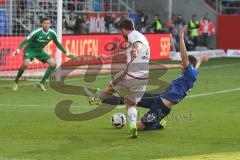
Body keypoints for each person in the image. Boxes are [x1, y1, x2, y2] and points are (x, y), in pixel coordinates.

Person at [102, 25, 209, 131]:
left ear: (188, 65)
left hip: (162, 107)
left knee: (139, 126)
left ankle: (156, 124)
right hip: (157, 98)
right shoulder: (193, 72)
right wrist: (201, 59)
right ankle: (102, 98)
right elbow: (196, 62)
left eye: (183, 64)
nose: (181, 65)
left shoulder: (189, 72)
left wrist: (181, 38)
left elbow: (184, 56)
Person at [86, 19, 150, 138]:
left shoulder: (133, 35)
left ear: (123, 29)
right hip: (144, 77)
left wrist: (136, 49)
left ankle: (96, 98)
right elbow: (126, 52)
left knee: (111, 86)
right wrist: (107, 56)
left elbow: (138, 44)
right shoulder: (141, 37)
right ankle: (132, 126)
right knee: (130, 103)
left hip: (131, 73)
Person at [12, 18, 74, 92]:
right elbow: (26, 40)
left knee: (53, 64)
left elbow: (57, 43)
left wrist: (66, 53)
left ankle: (42, 83)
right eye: (45, 23)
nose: (46, 25)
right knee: (25, 64)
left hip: (39, 51)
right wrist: (18, 50)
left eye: (48, 23)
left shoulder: (52, 33)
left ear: (50, 24)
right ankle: (16, 82)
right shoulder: (37, 32)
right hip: (30, 50)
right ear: (42, 24)